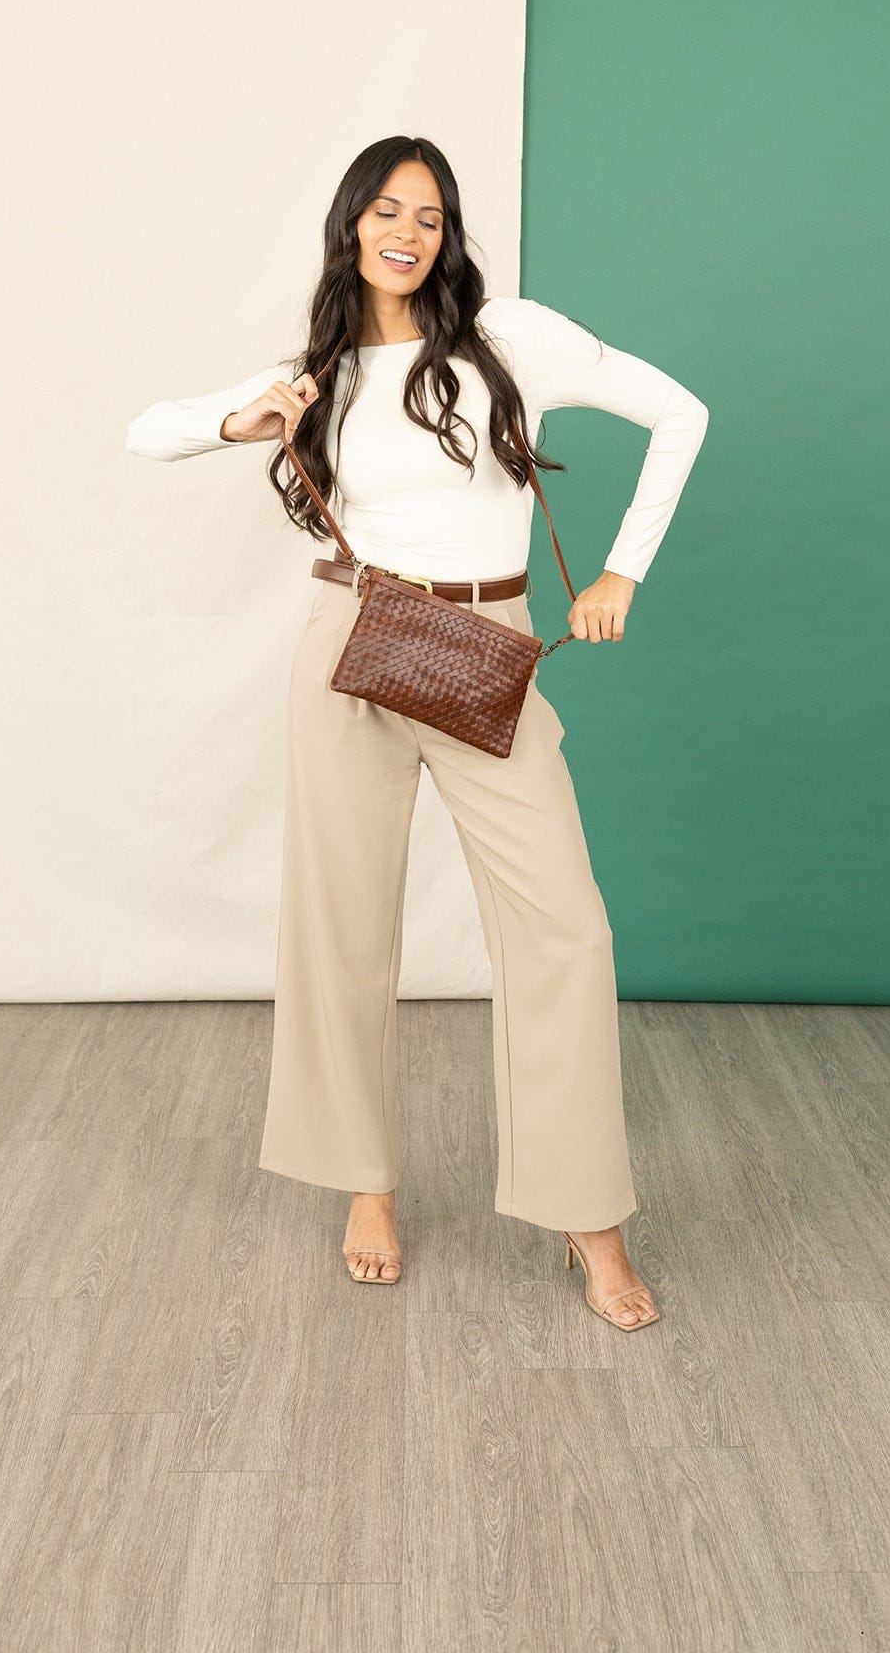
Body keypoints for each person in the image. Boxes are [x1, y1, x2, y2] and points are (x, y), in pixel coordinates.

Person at [126, 135, 709, 1331]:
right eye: (386, 210)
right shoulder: (319, 370)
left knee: (567, 933)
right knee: (339, 929)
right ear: (351, 226)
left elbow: (681, 413)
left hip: (488, 654)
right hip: (353, 650)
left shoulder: (516, 340)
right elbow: (148, 429)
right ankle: (365, 1188)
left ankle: (587, 1219)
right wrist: (247, 422)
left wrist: (622, 575)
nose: (408, 230)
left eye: (430, 215)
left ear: (448, 237)